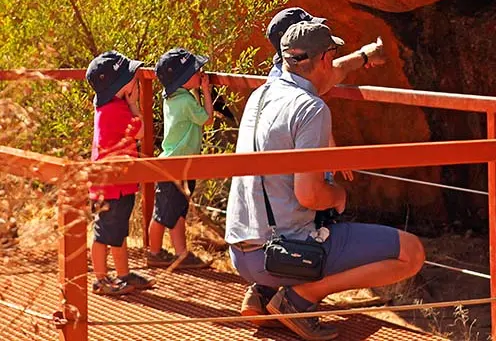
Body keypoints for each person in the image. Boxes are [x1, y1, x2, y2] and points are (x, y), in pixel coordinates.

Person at [225, 21, 425, 340]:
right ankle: (300, 298)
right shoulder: (311, 109)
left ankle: (263, 294)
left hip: (242, 252)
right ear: (324, 59)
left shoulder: (262, 94)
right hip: (282, 254)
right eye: (332, 53)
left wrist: (362, 57)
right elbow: (309, 195)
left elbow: (328, 76)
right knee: (410, 252)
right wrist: (337, 196)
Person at [85, 51, 156, 295]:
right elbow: (140, 132)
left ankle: (123, 275)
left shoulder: (111, 106)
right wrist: (135, 103)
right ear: (117, 87)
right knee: (103, 233)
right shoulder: (115, 110)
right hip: (111, 186)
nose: (136, 80)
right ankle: (101, 279)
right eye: (131, 78)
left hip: (118, 184)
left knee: (117, 232)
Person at [146, 48, 213, 269]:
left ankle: (181, 254)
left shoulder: (174, 96)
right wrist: (206, 91)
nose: (200, 72)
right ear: (183, 79)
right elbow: (207, 119)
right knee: (163, 214)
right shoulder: (186, 101)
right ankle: (154, 252)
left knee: (176, 213)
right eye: (195, 71)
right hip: (177, 165)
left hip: (177, 163)